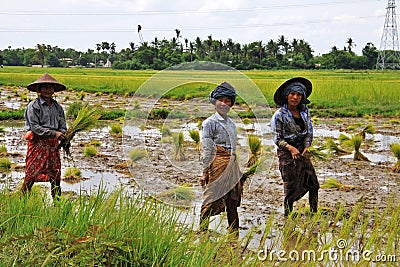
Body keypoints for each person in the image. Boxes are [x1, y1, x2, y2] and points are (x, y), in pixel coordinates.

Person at [270, 77, 319, 217]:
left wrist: (306, 145)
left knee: (313, 184)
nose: (295, 97)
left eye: (299, 94)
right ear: (286, 95)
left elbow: (309, 130)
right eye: (292, 94)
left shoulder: (305, 111)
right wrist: (291, 148)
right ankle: (288, 215)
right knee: (290, 187)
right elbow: (277, 138)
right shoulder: (279, 115)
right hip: (287, 152)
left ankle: (313, 213)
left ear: (302, 97)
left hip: (302, 151)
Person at [199, 82, 242, 236]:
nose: (224, 104)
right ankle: (202, 230)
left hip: (231, 164)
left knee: (232, 199)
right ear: (215, 102)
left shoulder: (231, 124)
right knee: (212, 196)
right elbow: (207, 148)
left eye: (228, 101)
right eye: (221, 100)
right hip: (216, 163)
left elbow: (233, 148)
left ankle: (234, 231)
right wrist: (205, 172)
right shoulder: (209, 123)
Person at [21, 73, 67, 201]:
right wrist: (54, 133)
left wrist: (63, 134)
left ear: (54, 90)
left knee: (55, 175)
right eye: (44, 87)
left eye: (50, 87)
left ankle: (57, 204)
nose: (48, 90)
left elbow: (62, 125)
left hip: (53, 145)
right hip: (37, 143)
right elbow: (35, 128)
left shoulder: (58, 107)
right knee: (31, 173)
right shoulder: (34, 106)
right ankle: (21, 201)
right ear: (38, 90)